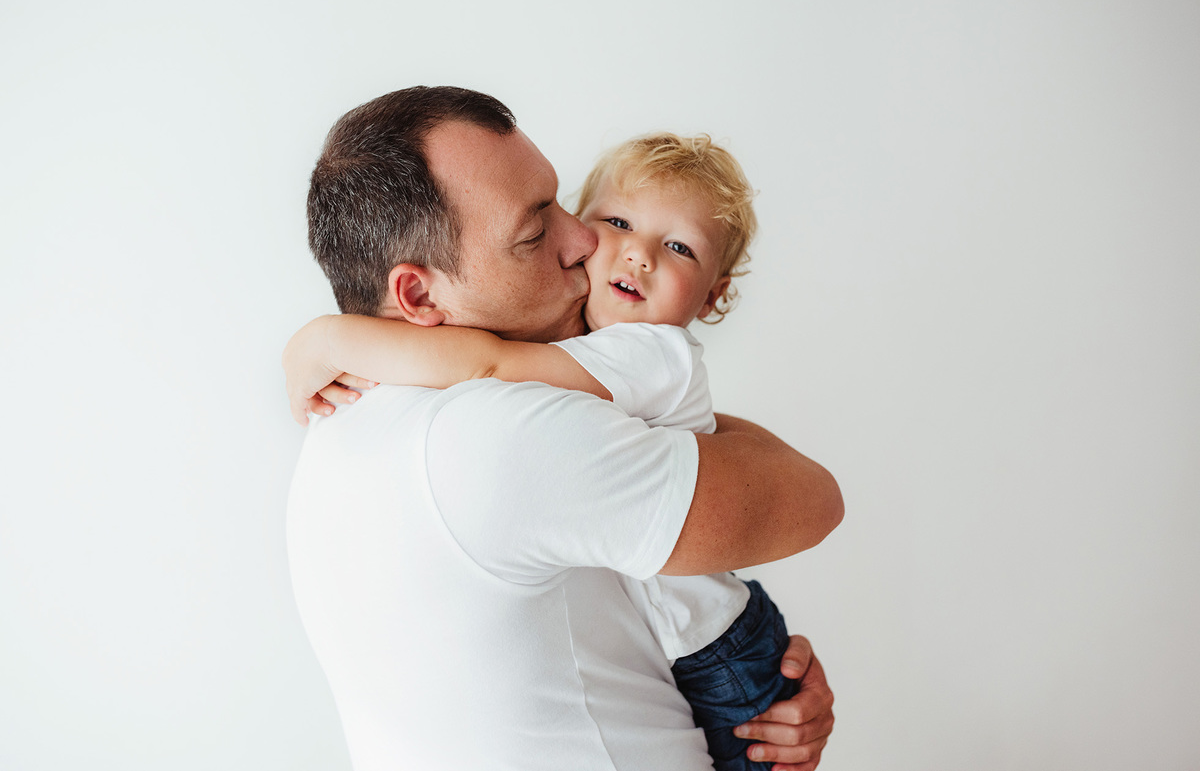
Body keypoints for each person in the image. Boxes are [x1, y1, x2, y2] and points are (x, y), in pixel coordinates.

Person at [286, 85, 842, 770]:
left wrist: (325, 341)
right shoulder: (499, 430)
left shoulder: (341, 429)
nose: (585, 242)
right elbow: (812, 498)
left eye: (562, 202)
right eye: (535, 229)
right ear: (419, 294)